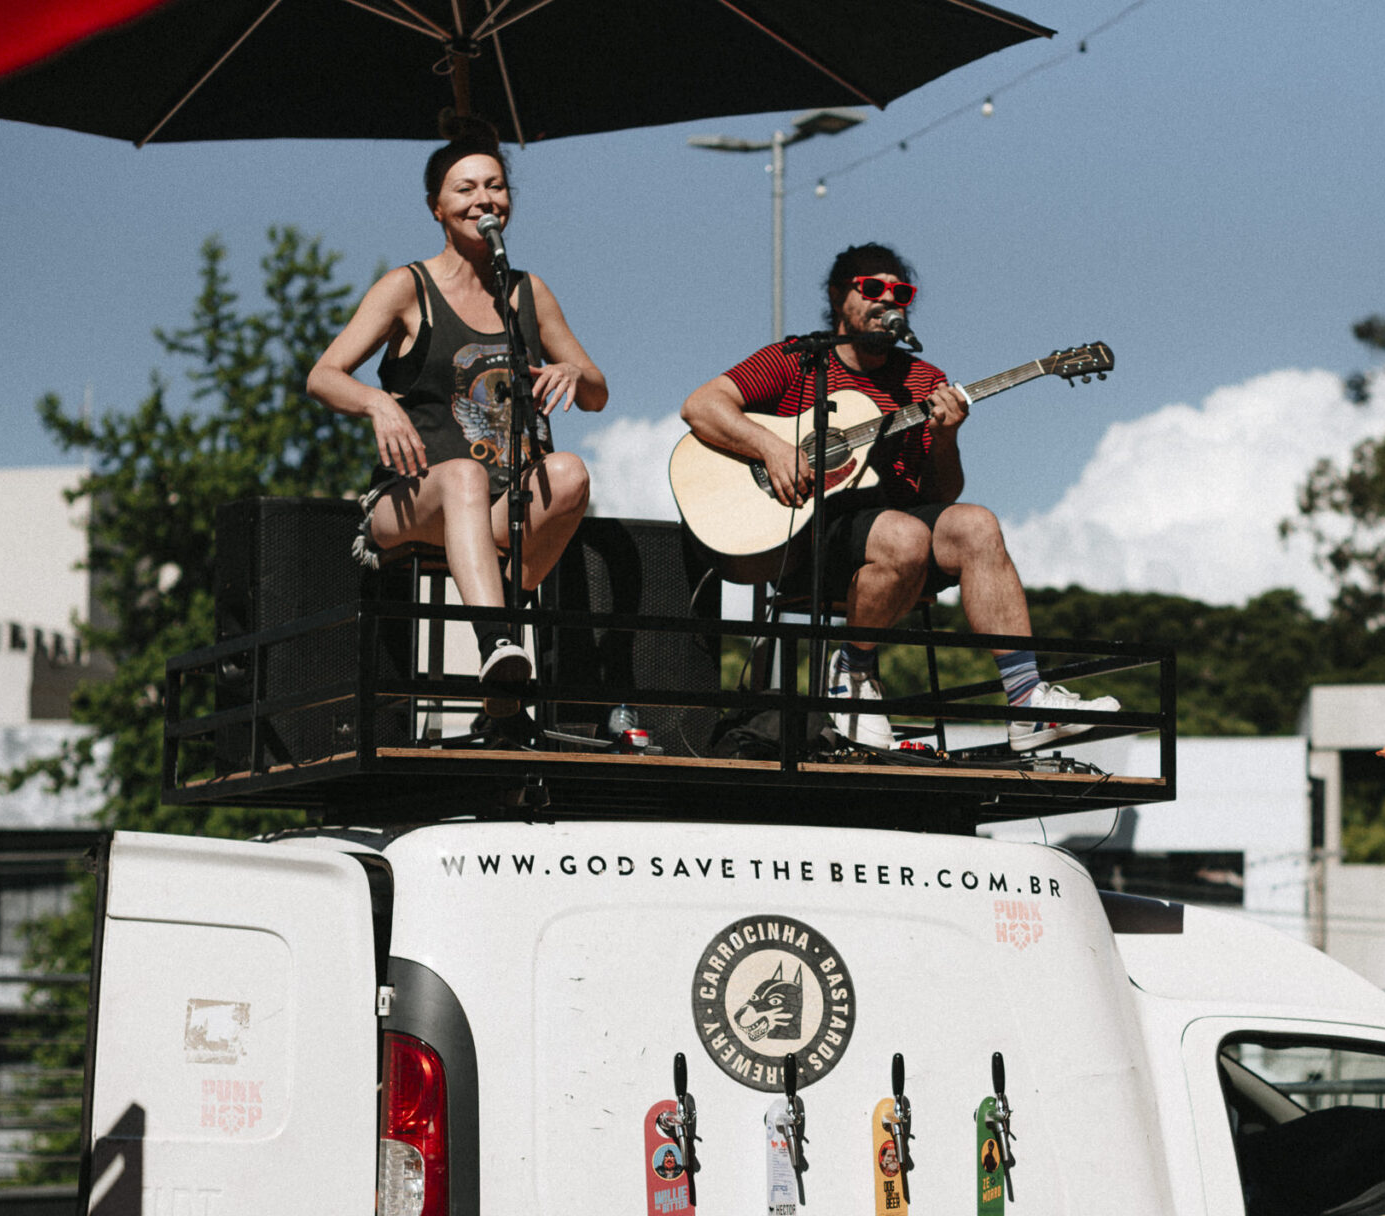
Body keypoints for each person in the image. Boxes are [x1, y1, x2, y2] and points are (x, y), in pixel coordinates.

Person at [679, 242, 1120, 753]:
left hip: (895, 535)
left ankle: (1028, 704)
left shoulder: (922, 380)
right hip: (807, 537)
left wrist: (948, 436)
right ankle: (856, 670)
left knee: (976, 523)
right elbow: (701, 406)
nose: (888, 299)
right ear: (838, 296)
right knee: (904, 534)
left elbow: (939, 494)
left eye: (900, 292)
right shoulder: (798, 360)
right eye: (872, 288)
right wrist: (772, 448)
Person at [308, 120, 605, 738]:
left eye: (495, 187)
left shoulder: (529, 291)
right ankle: (497, 643)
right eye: (465, 188)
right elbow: (323, 376)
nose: (484, 200)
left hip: (500, 508)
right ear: (437, 208)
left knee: (571, 472)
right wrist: (377, 403)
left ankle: (499, 655)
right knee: (464, 476)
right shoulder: (406, 287)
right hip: (408, 499)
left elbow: (598, 392)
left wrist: (572, 369)